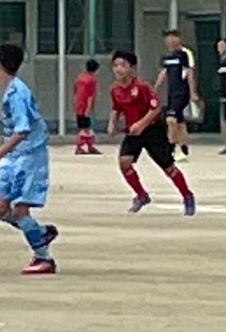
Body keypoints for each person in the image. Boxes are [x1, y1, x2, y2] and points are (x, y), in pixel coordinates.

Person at [0, 43, 59, 275]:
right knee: (0, 207)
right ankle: (40, 232)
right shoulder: (11, 90)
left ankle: (44, 258)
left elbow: (22, 130)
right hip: (15, 157)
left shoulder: (17, 93)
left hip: (30, 157)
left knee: (20, 210)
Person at [108, 50, 196, 217]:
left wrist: (141, 124)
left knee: (168, 167)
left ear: (132, 68)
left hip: (153, 130)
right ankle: (141, 195)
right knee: (124, 162)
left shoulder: (142, 87)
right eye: (115, 65)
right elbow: (116, 107)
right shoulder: (115, 89)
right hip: (133, 132)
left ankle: (187, 195)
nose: (118, 69)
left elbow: (155, 108)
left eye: (123, 65)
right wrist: (112, 123)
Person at [153, 29, 200, 159]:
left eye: (172, 37)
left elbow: (190, 73)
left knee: (170, 119)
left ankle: (171, 148)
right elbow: (163, 73)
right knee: (179, 122)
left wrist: (193, 92)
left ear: (178, 39)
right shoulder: (167, 57)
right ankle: (184, 149)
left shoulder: (185, 54)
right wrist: (155, 89)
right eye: (167, 38)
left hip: (182, 92)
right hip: (172, 93)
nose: (169, 41)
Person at [73, 58, 102, 155]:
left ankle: (90, 146)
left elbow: (75, 91)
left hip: (78, 105)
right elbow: (91, 96)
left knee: (85, 128)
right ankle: (80, 146)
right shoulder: (92, 80)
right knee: (85, 128)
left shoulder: (79, 77)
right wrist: (89, 109)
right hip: (85, 106)